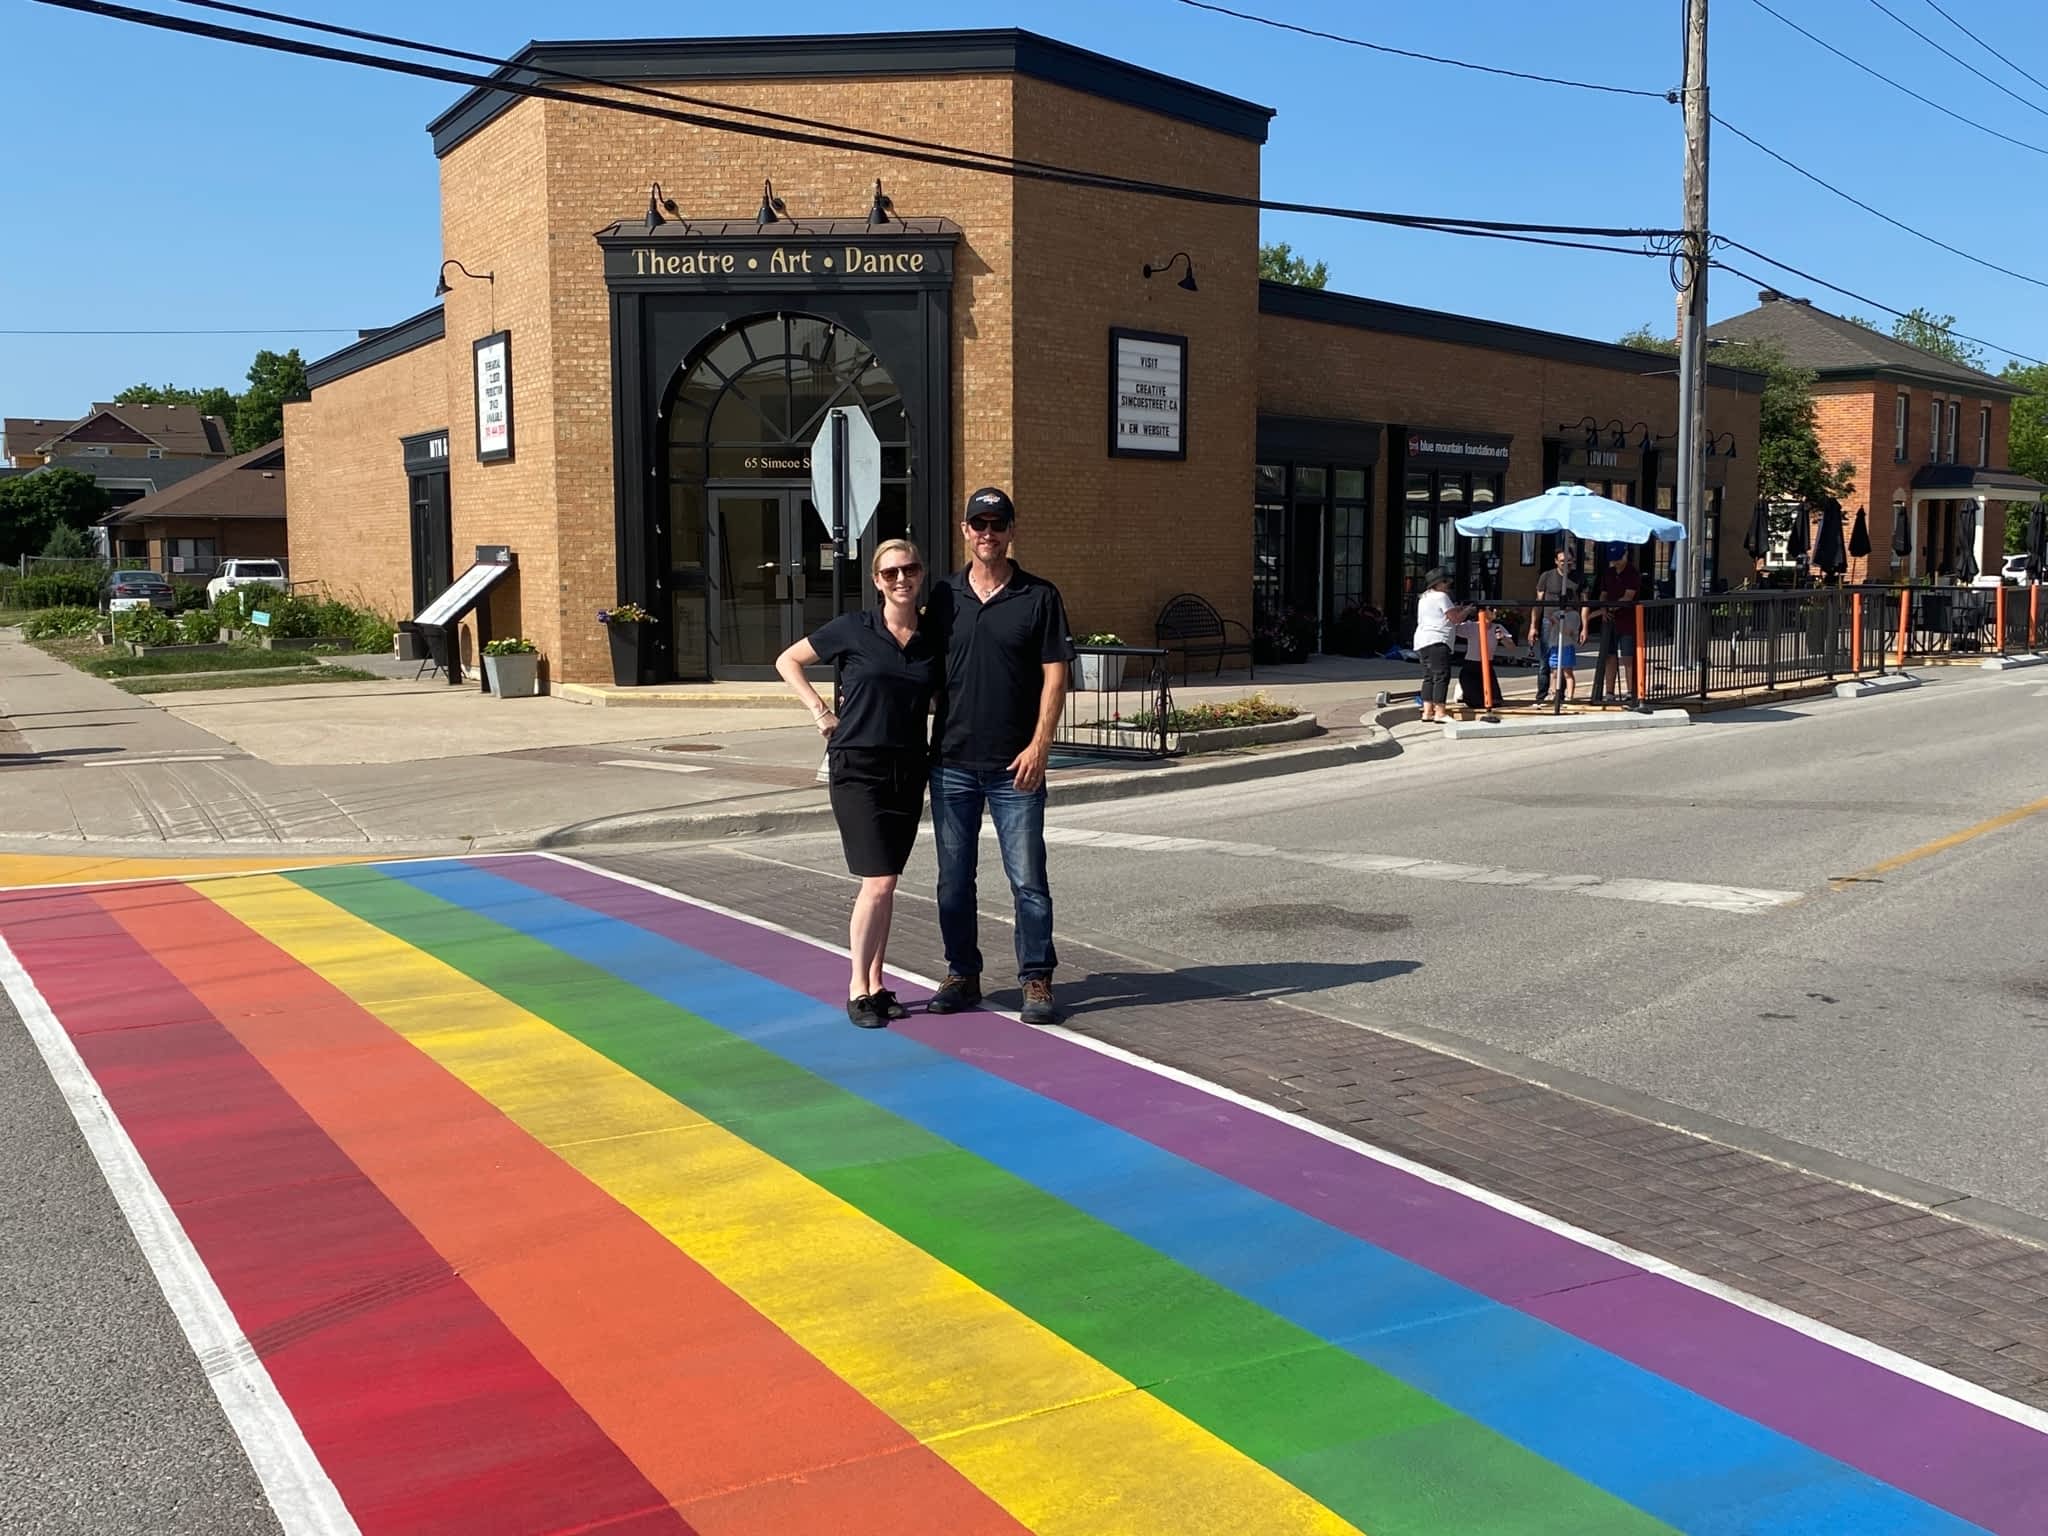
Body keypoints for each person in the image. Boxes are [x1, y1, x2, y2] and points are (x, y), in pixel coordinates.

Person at [924, 487, 1074, 1025]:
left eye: (997, 523)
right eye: (978, 524)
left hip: (1017, 767)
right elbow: (917, 665)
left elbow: (1056, 676)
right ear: (965, 531)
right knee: (952, 879)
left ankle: (1036, 977)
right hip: (952, 763)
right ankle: (962, 974)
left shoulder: (1039, 596)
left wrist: (1040, 745)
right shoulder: (942, 596)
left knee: (1028, 878)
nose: (987, 532)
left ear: (1012, 531)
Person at [775, 538, 939, 1030]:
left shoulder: (933, 636)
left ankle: (877, 982)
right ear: (876, 581)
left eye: (908, 569)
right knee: (878, 880)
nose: (901, 579)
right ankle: (856, 988)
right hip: (858, 768)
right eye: (890, 573)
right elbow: (788, 660)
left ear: (921, 573)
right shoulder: (853, 628)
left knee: (888, 884)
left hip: (909, 769)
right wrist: (820, 711)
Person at [1588, 541, 1646, 706]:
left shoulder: (1632, 573)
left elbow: (1628, 597)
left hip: (1627, 620)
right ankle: (1609, 692)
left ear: (1625, 554)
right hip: (1610, 621)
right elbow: (1603, 594)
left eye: (1618, 559)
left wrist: (1610, 608)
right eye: (1613, 560)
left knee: (1627, 657)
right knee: (1609, 656)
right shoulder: (1609, 572)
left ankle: (1630, 691)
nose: (1615, 562)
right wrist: (1604, 608)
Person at [1413, 567, 1471, 724]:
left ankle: (1427, 712)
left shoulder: (1424, 597)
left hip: (1421, 641)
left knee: (1428, 677)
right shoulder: (1441, 596)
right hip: (1438, 640)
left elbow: (1441, 613)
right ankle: (1440, 712)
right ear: (1437, 583)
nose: (1449, 584)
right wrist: (1467, 610)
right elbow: (1456, 619)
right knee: (1441, 676)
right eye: (1446, 581)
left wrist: (1456, 608)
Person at [1528, 543, 1581, 703]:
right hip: (1549, 621)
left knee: (1565, 662)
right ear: (1556, 561)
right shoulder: (1547, 576)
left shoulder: (1577, 577)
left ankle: (1562, 695)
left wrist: (1583, 626)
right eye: (1563, 561)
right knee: (1546, 660)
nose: (1566, 563)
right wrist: (1532, 626)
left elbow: (1584, 603)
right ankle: (1542, 696)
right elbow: (1538, 602)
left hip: (1568, 621)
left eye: (1569, 561)